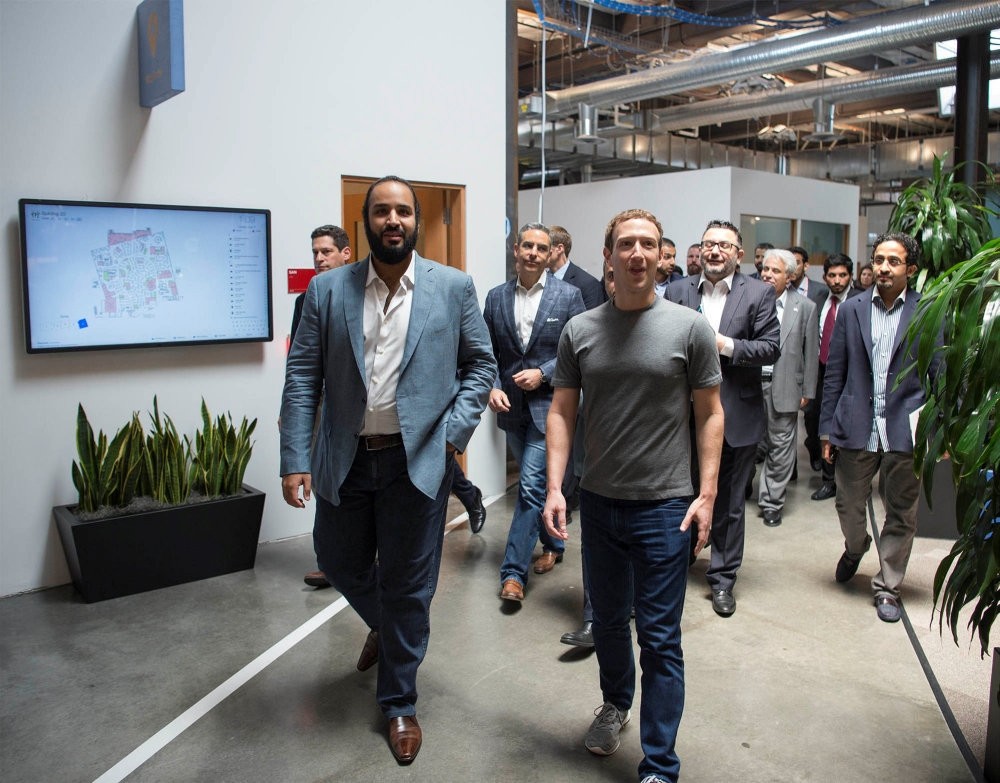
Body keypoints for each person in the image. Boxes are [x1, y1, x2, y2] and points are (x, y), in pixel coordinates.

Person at [279, 175, 495, 764]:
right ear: (366, 222)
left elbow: (481, 367)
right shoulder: (327, 290)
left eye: (402, 211)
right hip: (344, 459)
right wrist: (295, 457)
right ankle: (388, 623)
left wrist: (452, 436)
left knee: (408, 584)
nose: (392, 220)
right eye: (381, 211)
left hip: (416, 461)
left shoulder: (452, 287)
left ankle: (399, 701)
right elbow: (302, 377)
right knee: (337, 560)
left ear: (416, 220)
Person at [543, 208, 723, 783]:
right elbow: (561, 411)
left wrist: (707, 495)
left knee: (661, 637)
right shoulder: (581, 330)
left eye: (648, 243)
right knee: (608, 623)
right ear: (609, 256)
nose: (638, 253)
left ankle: (660, 764)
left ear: (660, 255)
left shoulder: (689, 329)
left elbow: (710, 414)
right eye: (626, 244)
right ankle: (616, 703)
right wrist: (554, 487)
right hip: (598, 503)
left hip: (666, 507)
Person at [820, 232, 940, 624]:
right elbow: (835, 373)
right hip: (856, 424)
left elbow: (939, 372)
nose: (883, 268)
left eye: (893, 261)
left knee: (901, 512)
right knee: (847, 502)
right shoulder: (852, 309)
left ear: (911, 269)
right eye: (879, 259)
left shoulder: (928, 310)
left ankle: (888, 585)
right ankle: (856, 547)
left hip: (906, 427)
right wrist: (826, 429)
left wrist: (940, 430)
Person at [666, 220, 780, 617]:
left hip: (736, 415)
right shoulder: (678, 291)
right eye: (708, 244)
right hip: (681, 416)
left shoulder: (759, 293)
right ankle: (677, 564)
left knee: (730, 503)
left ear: (739, 254)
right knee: (680, 495)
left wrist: (724, 345)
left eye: (724, 246)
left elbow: (770, 347)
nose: (715, 251)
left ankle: (722, 579)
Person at [486, 223, 585, 602]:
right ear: (516, 249)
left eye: (541, 248)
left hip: (551, 408)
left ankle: (513, 574)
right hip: (510, 407)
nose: (533, 253)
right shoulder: (496, 297)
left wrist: (543, 373)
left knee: (528, 486)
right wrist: (493, 385)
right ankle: (554, 544)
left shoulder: (569, 296)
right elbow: (486, 352)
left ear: (550, 254)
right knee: (539, 485)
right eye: (527, 246)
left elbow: (578, 352)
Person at [290, 225, 352, 589]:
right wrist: (292, 412)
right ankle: (328, 563)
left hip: (357, 408)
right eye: (315, 252)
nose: (319, 258)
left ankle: (467, 494)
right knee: (324, 481)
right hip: (321, 406)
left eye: (326, 251)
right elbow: (299, 366)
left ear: (345, 253)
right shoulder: (306, 300)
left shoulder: (363, 294)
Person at [756, 249, 818, 527]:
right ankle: (742, 486)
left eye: (775, 271)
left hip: (785, 385)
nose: (768, 275)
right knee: (746, 443)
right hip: (749, 385)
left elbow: (811, 352)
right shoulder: (749, 300)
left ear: (790, 276)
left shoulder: (805, 307)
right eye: (765, 269)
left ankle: (771, 502)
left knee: (780, 447)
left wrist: (808, 390)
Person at [805, 252, 860, 500]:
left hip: (850, 374)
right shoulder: (817, 300)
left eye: (842, 275)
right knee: (818, 423)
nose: (837, 280)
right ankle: (828, 481)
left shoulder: (860, 300)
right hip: (820, 371)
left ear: (850, 276)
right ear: (825, 277)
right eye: (832, 275)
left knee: (847, 425)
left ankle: (847, 481)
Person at [547, 224, 606, 309]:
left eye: (544, 248)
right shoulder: (540, 280)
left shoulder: (589, 284)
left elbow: (591, 317)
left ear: (559, 249)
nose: (538, 253)